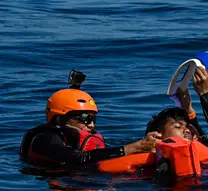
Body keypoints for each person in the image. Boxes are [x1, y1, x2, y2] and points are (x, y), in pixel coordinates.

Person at [20, 70, 162, 169]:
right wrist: (134, 147)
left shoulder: (80, 139)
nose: (91, 124)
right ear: (59, 120)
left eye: (93, 118)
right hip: (61, 188)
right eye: (84, 118)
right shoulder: (44, 139)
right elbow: (75, 159)